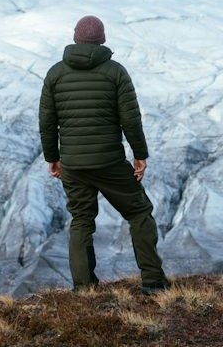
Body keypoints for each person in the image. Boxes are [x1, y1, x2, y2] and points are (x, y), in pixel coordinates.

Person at [38, 15, 169, 294]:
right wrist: (139, 155)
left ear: (75, 38)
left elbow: (47, 122)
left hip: (73, 164)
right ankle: (154, 281)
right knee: (139, 211)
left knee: (82, 219)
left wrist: (53, 157)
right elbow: (130, 120)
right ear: (102, 40)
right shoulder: (115, 72)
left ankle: (84, 288)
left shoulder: (55, 74)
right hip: (109, 162)